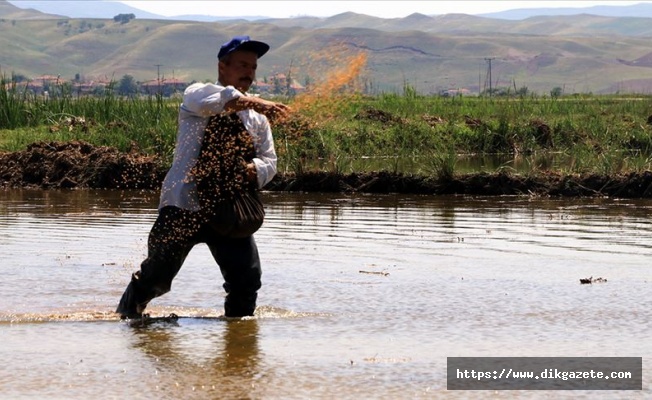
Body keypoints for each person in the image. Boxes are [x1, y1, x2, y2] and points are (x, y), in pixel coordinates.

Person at [116, 35, 290, 319]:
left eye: (253, 67)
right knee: (156, 278)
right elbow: (224, 100)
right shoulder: (198, 95)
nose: (249, 72)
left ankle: (238, 338)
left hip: (230, 210)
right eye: (243, 65)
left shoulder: (257, 120)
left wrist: (250, 169)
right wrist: (257, 102)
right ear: (223, 67)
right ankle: (126, 319)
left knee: (246, 282)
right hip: (184, 205)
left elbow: (270, 161)